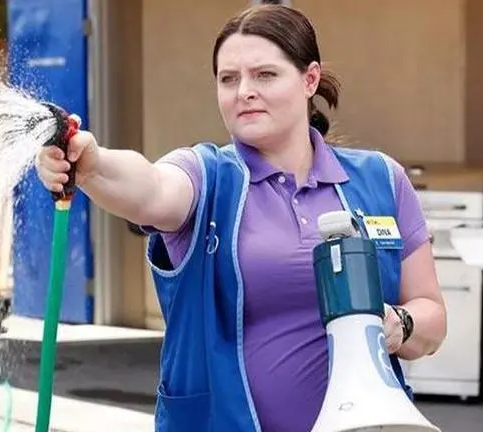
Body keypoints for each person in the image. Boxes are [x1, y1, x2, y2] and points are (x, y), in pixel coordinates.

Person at [35, 4, 446, 431]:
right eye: (228, 79)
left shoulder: (380, 178)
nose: (243, 91)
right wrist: (93, 164)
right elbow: (151, 189)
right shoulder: (208, 176)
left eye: (264, 75)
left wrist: (399, 324)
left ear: (310, 79)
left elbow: (432, 316)